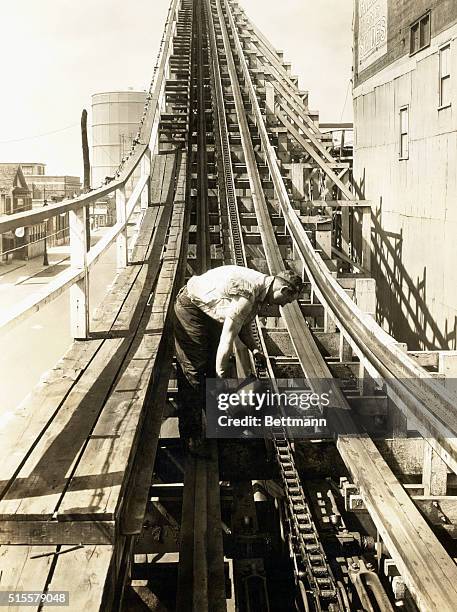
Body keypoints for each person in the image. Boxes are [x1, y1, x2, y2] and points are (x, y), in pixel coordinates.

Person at [173, 264, 304, 453]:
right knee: (195, 372)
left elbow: (243, 324)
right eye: (286, 300)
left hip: (208, 314)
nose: (283, 305)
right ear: (283, 289)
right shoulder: (248, 294)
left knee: (209, 371)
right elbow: (227, 340)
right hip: (192, 309)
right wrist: (221, 373)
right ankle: (192, 439)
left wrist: (255, 349)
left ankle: (215, 426)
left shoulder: (260, 290)